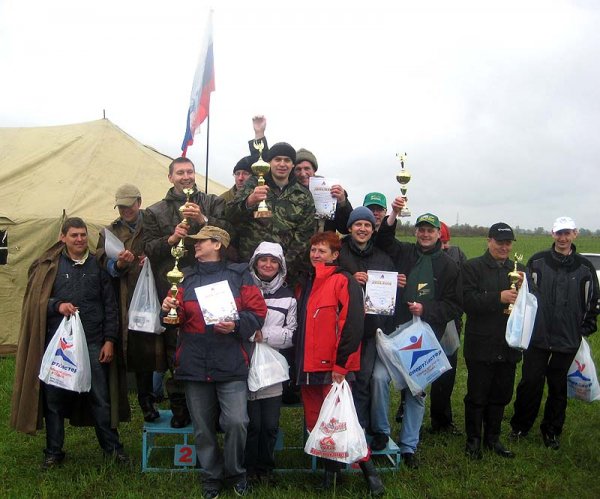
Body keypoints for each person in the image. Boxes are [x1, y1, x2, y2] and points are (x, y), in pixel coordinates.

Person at [11, 217, 129, 469]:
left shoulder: (99, 265)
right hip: (60, 346)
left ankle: (112, 448)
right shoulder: (49, 266)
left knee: (101, 398)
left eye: (83, 235)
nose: (79, 239)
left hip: (94, 341)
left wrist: (110, 340)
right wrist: (57, 305)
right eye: (74, 235)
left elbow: (110, 306)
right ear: (62, 237)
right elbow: (38, 301)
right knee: (54, 400)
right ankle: (53, 451)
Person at [160, 226, 267, 498]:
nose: (195, 245)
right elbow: (179, 317)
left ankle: (235, 472)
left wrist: (236, 324)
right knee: (203, 428)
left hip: (230, 362)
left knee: (236, 422)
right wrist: (169, 310)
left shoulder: (240, 275)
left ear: (217, 244)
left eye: (201, 241)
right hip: (195, 363)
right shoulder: (185, 277)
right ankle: (211, 476)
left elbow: (257, 312)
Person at [371, 202, 462, 469]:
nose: (425, 234)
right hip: (393, 332)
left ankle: (409, 446)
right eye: (421, 229)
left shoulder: (448, 265)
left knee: (416, 392)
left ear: (438, 234)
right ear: (416, 232)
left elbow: (455, 304)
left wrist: (427, 309)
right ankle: (382, 433)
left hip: (423, 338)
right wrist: (394, 214)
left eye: (430, 230)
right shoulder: (405, 252)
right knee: (378, 378)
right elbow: (385, 238)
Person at [295, 232, 383, 495]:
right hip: (306, 365)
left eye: (322, 251)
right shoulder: (306, 282)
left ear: (335, 255)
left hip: (332, 366)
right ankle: (329, 476)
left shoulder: (343, 282)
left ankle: (370, 474)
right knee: (316, 423)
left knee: (341, 422)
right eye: (313, 250)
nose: (316, 255)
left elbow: (353, 325)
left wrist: (341, 365)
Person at [144, 156, 228, 428]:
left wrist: (203, 220)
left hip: (209, 286)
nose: (186, 176)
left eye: (189, 171)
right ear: (171, 177)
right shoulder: (155, 211)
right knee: (175, 348)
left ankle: (213, 410)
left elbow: (228, 234)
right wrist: (171, 239)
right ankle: (180, 407)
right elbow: (147, 251)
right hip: (173, 288)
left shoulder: (212, 202)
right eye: (179, 172)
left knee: (211, 341)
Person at [510, 216, 599, 450]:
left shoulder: (585, 267)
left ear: (575, 234)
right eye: (559, 233)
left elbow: (593, 301)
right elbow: (523, 297)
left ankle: (551, 431)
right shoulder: (537, 261)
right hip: (537, 337)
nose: (563, 238)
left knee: (558, 388)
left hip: (567, 339)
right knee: (530, 383)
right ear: (552, 234)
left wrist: (584, 328)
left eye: (567, 233)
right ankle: (520, 426)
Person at [96, 184, 165, 423]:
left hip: (159, 289)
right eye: (121, 206)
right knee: (140, 346)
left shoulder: (156, 222)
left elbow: (169, 245)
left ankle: (178, 400)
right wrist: (119, 265)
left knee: (166, 343)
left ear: (139, 201)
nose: (126, 210)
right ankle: (145, 400)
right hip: (129, 295)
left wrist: (152, 256)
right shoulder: (109, 232)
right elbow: (101, 259)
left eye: (129, 205)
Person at [337, 207, 393, 496]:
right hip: (342, 331)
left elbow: (388, 291)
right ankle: (337, 436)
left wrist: (396, 284)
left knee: (362, 381)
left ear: (373, 229)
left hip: (370, 331)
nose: (362, 229)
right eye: (357, 224)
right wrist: (350, 278)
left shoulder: (382, 257)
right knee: (341, 383)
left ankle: (358, 437)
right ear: (349, 227)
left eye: (367, 225)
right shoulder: (339, 253)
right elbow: (327, 274)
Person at [462, 222, 524, 460]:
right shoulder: (472, 267)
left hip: (509, 342)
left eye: (508, 243)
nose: (504, 247)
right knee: (477, 395)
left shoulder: (519, 270)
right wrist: (498, 297)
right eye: (499, 242)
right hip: (481, 343)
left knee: (501, 394)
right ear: (488, 241)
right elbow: (467, 301)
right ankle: (473, 441)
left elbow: (528, 304)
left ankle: (493, 439)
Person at [225, 140, 316, 284]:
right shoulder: (254, 183)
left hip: (284, 272)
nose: (282, 164)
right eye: (277, 159)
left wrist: (284, 265)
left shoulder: (303, 195)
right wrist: (249, 201)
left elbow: (304, 235)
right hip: (248, 267)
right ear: (269, 162)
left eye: (287, 160)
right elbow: (229, 215)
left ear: (293, 164)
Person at [245, 242, 297, 484]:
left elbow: (292, 334)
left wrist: (264, 336)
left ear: (281, 265)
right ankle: (248, 468)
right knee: (252, 424)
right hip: (246, 365)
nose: (268, 265)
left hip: (273, 368)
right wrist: (248, 333)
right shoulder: (243, 288)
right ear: (255, 262)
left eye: (273, 261)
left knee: (269, 424)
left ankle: (266, 468)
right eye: (263, 260)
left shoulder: (288, 297)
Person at [250, 115, 353, 233]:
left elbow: (346, 229)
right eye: (298, 169)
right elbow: (262, 164)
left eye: (307, 168)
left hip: (321, 249)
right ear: (292, 169)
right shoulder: (286, 188)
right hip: (294, 246)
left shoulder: (331, 191)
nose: (303, 173)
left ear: (314, 170)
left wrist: (342, 202)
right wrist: (259, 134)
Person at [428, 221, 468, 435]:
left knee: (446, 370)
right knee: (416, 368)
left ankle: (442, 419)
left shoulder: (457, 256)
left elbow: (462, 289)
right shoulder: (420, 255)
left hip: (449, 322)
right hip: (423, 320)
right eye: (439, 241)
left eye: (444, 241)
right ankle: (405, 410)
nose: (442, 245)